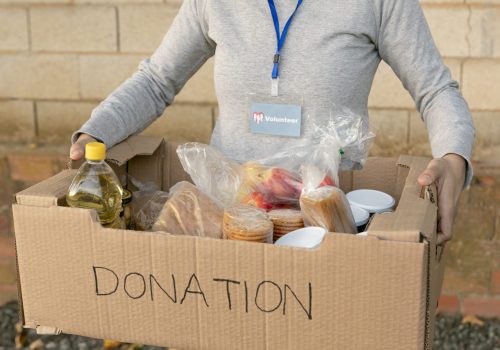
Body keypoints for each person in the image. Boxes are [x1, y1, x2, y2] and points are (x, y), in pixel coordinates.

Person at [69, 0, 475, 245]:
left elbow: (436, 89)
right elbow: (156, 80)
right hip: (226, 222)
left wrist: (454, 158)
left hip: (325, 227)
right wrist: (96, 131)